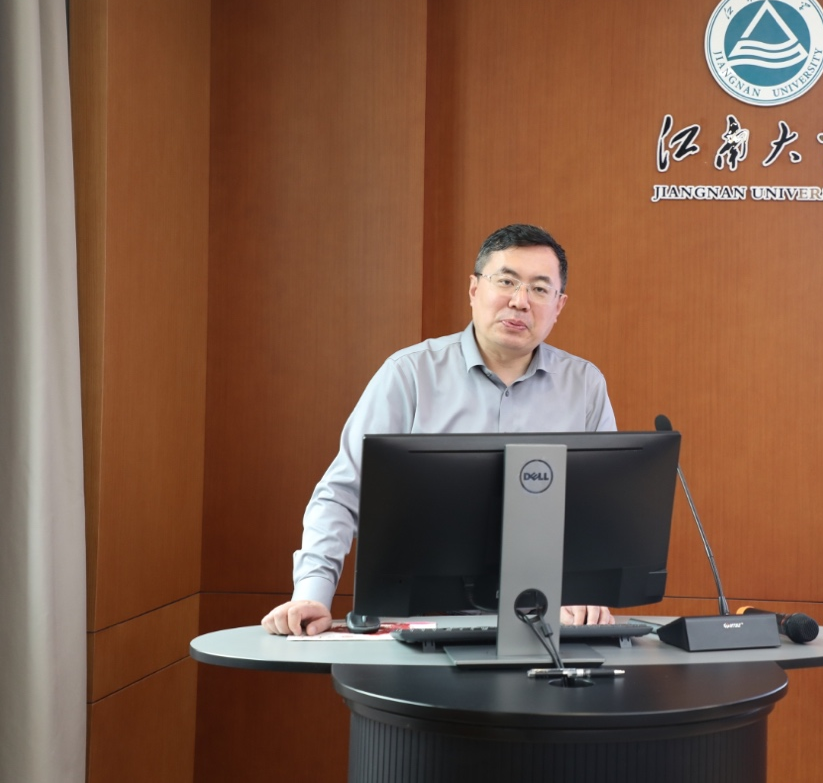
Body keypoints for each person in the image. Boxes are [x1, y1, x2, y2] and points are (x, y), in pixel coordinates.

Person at [261, 224, 617, 635]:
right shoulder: (410, 374)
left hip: (543, 624)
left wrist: (588, 591)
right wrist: (312, 593)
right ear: (474, 289)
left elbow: (599, 510)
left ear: (559, 305)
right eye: (506, 281)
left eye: (539, 289)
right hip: (413, 622)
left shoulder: (584, 386)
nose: (520, 301)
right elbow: (342, 493)